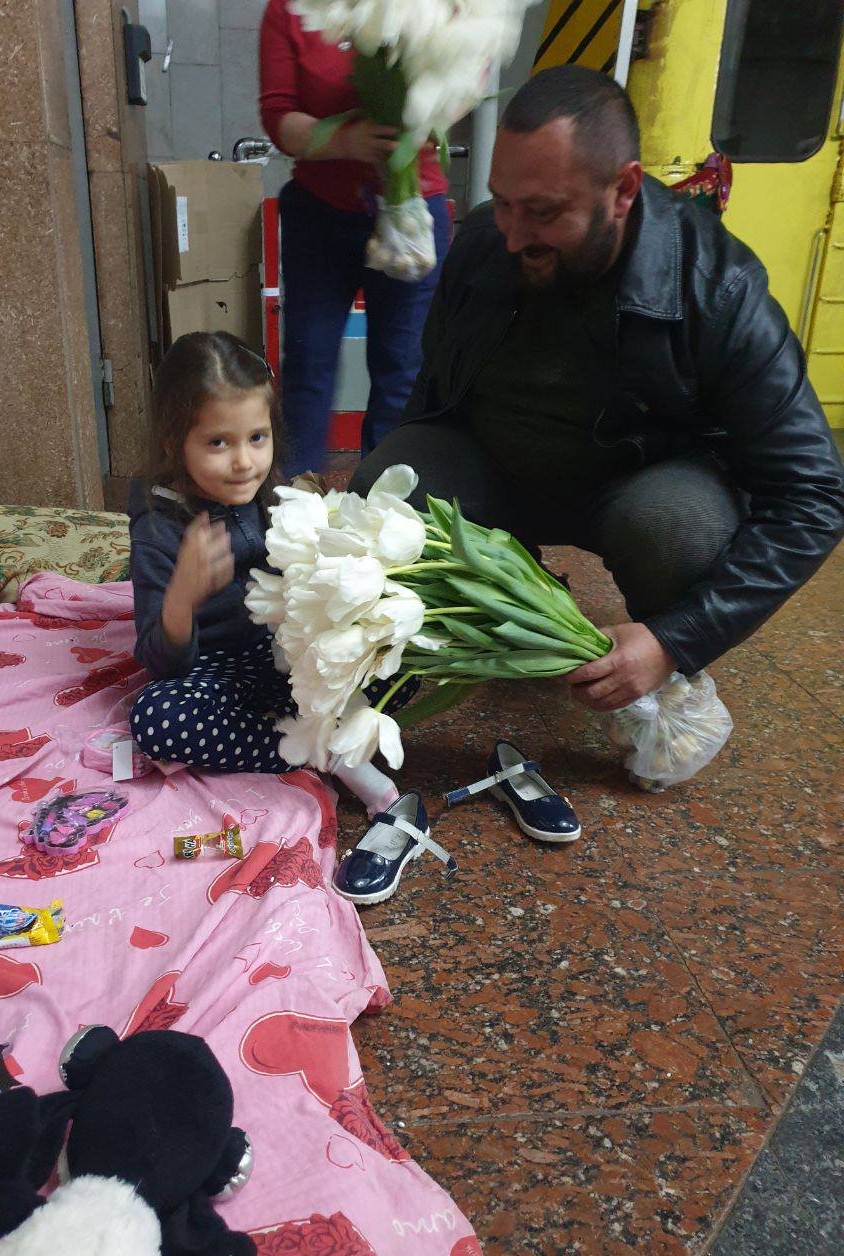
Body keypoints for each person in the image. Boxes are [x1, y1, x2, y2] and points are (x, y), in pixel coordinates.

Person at [352, 66, 844, 713]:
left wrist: (676, 640)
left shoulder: (718, 287)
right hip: (501, 469)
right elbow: (433, 395)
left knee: (675, 531)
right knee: (389, 485)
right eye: (502, 201)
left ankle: (655, 671)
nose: (512, 234)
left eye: (543, 212)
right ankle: (500, 608)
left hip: (636, 484)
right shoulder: (481, 243)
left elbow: (814, 493)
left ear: (623, 190)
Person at [127, 330, 407, 813]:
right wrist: (182, 597)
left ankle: (305, 728)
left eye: (257, 437)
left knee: (400, 657)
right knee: (157, 720)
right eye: (218, 442)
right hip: (210, 671)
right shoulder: (159, 527)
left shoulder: (268, 494)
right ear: (174, 445)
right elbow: (160, 661)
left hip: (285, 659)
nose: (243, 462)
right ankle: (323, 753)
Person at [259, 0, 452, 474]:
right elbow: (278, 114)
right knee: (308, 366)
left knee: (402, 372)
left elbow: (465, 81)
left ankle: (385, 510)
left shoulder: (443, 7)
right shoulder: (290, 9)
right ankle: (292, 508)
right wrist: (348, 140)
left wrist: (430, 116)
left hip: (412, 213)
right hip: (320, 216)